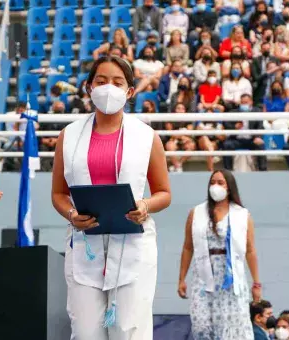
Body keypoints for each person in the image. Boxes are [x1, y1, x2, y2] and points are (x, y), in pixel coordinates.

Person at [51, 56, 171, 340]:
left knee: (129, 330)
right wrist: (71, 215)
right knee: (85, 331)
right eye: (101, 81)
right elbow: (58, 193)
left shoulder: (146, 136)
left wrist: (144, 205)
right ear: (88, 87)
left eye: (118, 83)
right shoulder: (68, 136)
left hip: (132, 245)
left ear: (130, 91)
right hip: (85, 245)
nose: (108, 89)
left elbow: (163, 193)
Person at [178, 169, 261, 339]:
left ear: (229, 187)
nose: (215, 186)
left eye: (220, 183)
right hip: (203, 274)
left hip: (230, 277)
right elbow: (188, 247)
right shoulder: (196, 213)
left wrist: (256, 283)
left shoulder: (242, 215)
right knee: (201, 325)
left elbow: (250, 250)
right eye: (212, 182)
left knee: (229, 326)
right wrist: (181, 279)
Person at [223, 94, 267, 171]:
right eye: (242, 102)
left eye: (246, 102)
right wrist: (234, 127)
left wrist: (258, 137)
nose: (244, 104)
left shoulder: (256, 111)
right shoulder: (234, 112)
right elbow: (226, 123)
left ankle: (263, 171)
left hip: (251, 140)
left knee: (261, 145)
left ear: (251, 102)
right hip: (237, 140)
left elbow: (260, 126)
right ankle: (228, 171)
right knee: (227, 145)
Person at [165, 102, 196, 172]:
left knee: (191, 145)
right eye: (178, 108)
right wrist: (183, 135)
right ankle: (177, 166)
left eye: (182, 109)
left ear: (185, 111)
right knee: (169, 145)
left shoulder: (188, 119)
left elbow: (189, 132)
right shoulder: (169, 119)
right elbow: (171, 133)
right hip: (174, 141)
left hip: (184, 141)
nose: (180, 110)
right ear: (174, 110)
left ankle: (178, 165)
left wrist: (180, 135)